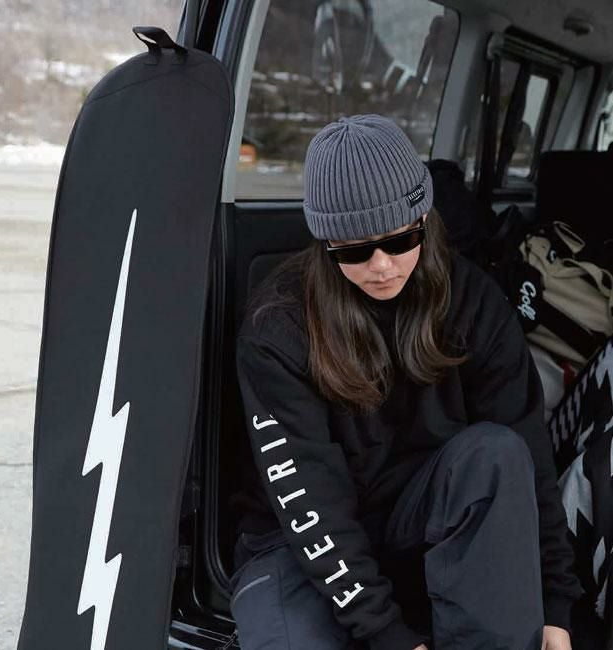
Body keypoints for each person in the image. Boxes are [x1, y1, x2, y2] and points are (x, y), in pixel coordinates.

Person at [227, 114, 582, 650]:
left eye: (400, 240)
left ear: (423, 219)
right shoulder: (278, 327)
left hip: (418, 520)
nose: (382, 266)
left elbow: (528, 456)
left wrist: (555, 602)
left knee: (497, 451)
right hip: (299, 542)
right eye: (354, 249)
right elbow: (309, 501)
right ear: (325, 242)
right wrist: (389, 635)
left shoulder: (473, 301)